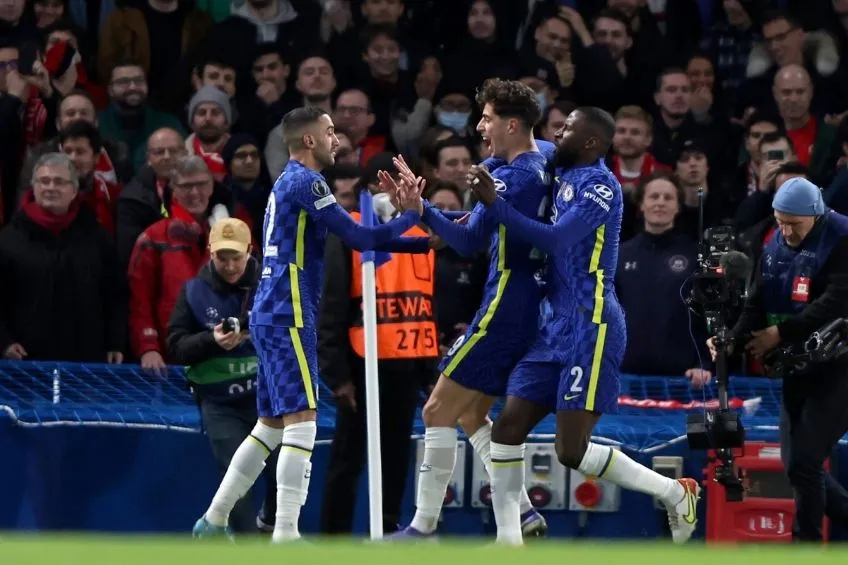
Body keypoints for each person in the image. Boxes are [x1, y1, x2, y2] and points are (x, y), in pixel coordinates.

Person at [467, 107, 701, 546]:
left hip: (591, 326)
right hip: (553, 326)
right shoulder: (558, 165)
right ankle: (508, 542)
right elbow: (528, 145)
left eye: (567, 128)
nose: (558, 133)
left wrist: (495, 204)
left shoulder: (601, 187)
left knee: (570, 451)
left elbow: (556, 239)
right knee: (507, 427)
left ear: (590, 143)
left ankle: (675, 491)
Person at [191, 106, 427, 542]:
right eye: (330, 131)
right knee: (302, 422)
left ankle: (215, 519)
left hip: (271, 312)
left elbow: (358, 239)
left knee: (270, 426)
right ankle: (286, 533)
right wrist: (411, 216)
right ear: (310, 140)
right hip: (290, 312)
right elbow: (358, 238)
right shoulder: (308, 181)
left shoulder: (288, 182)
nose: (337, 139)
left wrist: (422, 241)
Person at [387, 78, 550, 539]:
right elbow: (473, 225)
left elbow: (466, 241)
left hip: (505, 304)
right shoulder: (539, 161)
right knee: (470, 414)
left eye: (487, 118)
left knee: (436, 411)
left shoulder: (512, 178)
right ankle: (522, 513)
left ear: (512, 124)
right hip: (530, 304)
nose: (479, 127)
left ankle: (422, 529)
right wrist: (432, 211)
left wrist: (422, 210)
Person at [709, 178, 848, 542]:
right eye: (780, 222)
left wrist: (781, 333)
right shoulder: (773, 244)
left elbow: (837, 300)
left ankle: (805, 545)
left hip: (840, 366)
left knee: (805, 461)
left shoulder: (841, 239)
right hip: (800, 364)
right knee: (795, 465)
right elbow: (757, 302)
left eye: (794, 224)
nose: (786, 231)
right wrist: (731, 340)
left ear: (816, 215)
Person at [167, 218, 277, 535]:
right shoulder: (193, 292)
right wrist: (211, 341)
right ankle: (246, 549)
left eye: (236, 258)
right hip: (220, 403)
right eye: (222, 258)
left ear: (250, 251)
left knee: (283, 471)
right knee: (236, 479)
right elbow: (176, 346)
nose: (229, 266)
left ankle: (271, 524)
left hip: (268, 400)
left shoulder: (272, 286)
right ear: (210, 253)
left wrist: (254, 330)